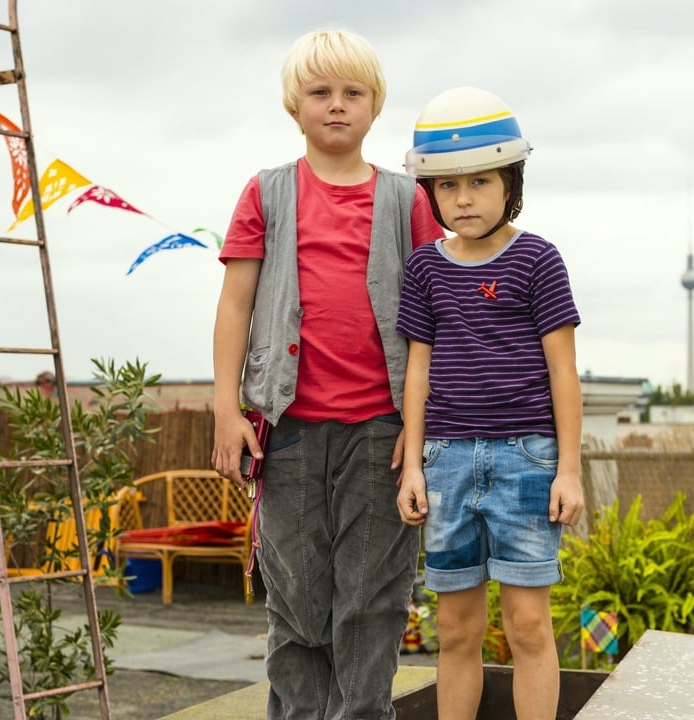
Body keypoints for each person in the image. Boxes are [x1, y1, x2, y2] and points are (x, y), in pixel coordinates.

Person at [210, 29, 444, 720]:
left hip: (383, 433)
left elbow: (436, 321)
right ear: (295, 105)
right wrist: (227, 410)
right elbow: (235, 306)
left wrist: (423, 431)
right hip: (288, 432)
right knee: (298, 601)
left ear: (375, 107)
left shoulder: (408, 202)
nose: (336, 106)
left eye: (353, 93)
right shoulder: (267, 193)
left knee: (372, 603)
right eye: (321, 92)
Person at [394, 87, 585, 720]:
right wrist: (416, 464)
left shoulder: (539, 259)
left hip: (527, 464)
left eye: (479, 180)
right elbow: (417, 371)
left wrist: (569, 469)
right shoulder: (424, 268)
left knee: (528, 625)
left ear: (512, 181)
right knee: (454, 629)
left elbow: (564, 373)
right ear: (432, 194)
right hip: (445, 462)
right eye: (448, 186)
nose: (464, 198)